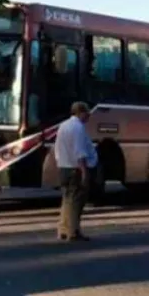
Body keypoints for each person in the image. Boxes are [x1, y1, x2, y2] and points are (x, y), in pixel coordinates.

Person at [54, 101, 98, 241]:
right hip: (75, 169)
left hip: (64, 167)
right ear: (80, 112)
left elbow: (57, 149)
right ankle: (73, 231)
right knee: (77, 202)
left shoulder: (63, 126)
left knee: (66, 200)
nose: (89, 116)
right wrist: (84, 171)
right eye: (87, 113)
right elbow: (80, 151)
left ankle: (63, 229)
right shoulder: (78, 128)